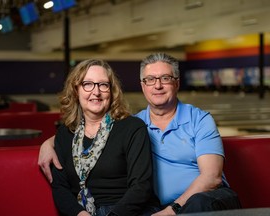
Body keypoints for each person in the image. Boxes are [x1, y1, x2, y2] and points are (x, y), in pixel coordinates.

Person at [39, 53, 241, 215]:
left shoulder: (200, 120)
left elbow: (211, 178)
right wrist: (49, 143)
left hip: (205, 201)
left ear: (177, 83)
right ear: (143, 86)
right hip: (161, 207)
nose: (158, 85)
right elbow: (87, 136)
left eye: (166, 78)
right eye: (150, 79)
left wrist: (172, 210)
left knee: (198, 204)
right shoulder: (137, 122)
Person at [46, 59, 159, 216]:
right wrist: (80, 214)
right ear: (76, 90)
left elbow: (141, 186)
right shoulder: (65, 134)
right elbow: (60, 187)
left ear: (112, 92)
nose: (96, 92)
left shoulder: (132, 128)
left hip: (127, 211)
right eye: (88, 84)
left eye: (103, 85)